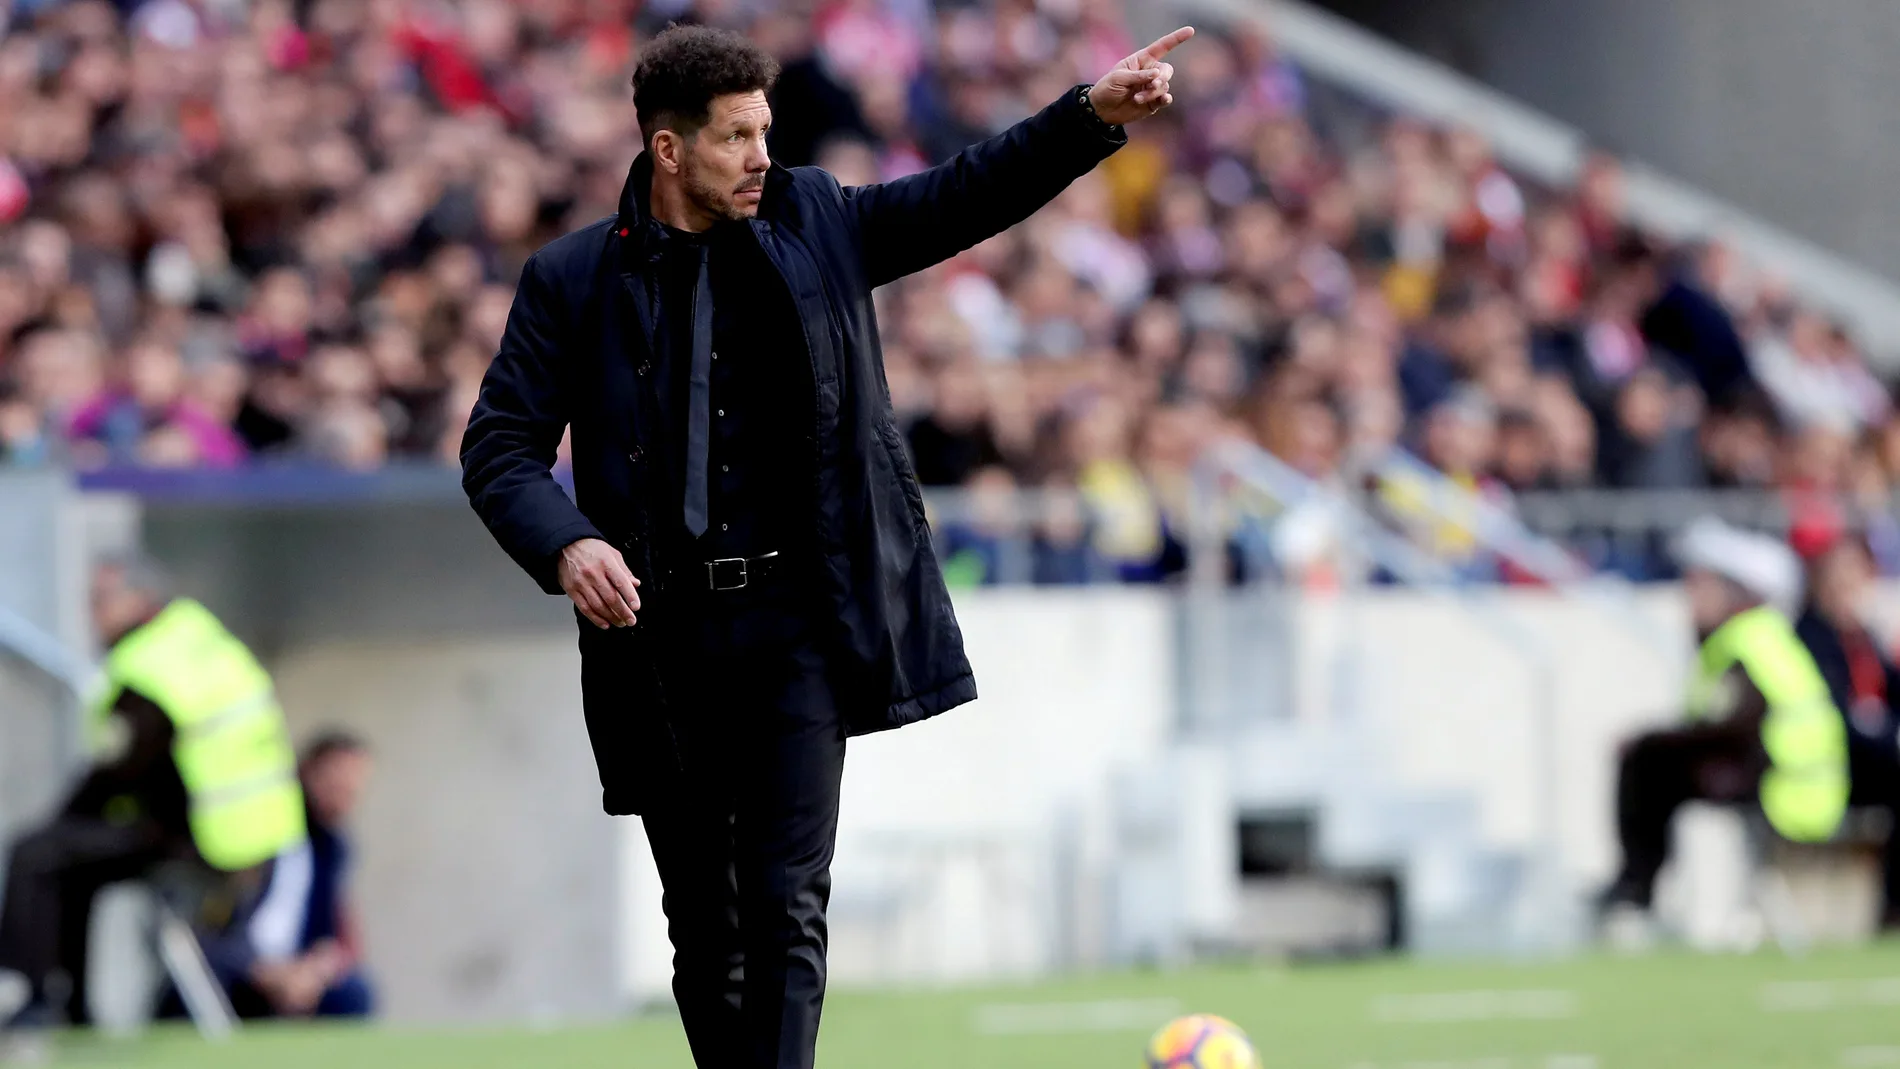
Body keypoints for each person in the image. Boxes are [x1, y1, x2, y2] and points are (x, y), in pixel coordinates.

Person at [459, 22, 1193, 1069]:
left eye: (767, 131)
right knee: (703, 930)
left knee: (785, 904)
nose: (764, 156)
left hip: (796, 624)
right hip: (657, 641)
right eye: (736, 137)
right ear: (668, 151)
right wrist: (569, 543)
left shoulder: (818, 221)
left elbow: (961, 194)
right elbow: (497, 450)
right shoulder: (571, 279)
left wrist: (1088, 117)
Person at [0, 555, 305, 1039]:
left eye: (101, 600)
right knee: (69, 860)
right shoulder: (197, 638)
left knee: (35, 852)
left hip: (198, 840)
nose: (91, 613)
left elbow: (117, 770)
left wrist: (58, 824)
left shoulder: (148, 665)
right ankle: (74, 1007)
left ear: (139, 600)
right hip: (257, 838)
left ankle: (31, 999)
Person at [1599, 519, 1850, 925]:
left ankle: (1637, 886)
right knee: (1653, 763)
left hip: (1784, 787)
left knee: (1647, 761)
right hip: (1798, 781)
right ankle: (1640, 884)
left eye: (1701, 586)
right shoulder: (1760, 637)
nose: (1690, 598)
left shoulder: (1744, 642)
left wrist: (1655, 739)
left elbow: (1732, 724)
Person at [197, 731, 376, 1019]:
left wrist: (316, 969)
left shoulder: (331, 847)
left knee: (354, 994)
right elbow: (213, 929)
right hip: (241, 969)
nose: (343, 793)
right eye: (335, 781)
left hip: (295, 970)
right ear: (307, 772)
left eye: (352, 789)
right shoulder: (256, 833)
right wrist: (265, 972)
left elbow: (327, 931)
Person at [1793, 533, 1900, 929]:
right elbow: (1834, 711)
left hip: (1875, 759)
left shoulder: (1864, 635)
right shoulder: (1809, 636)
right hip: (1827, 769)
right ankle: (1892, 911)